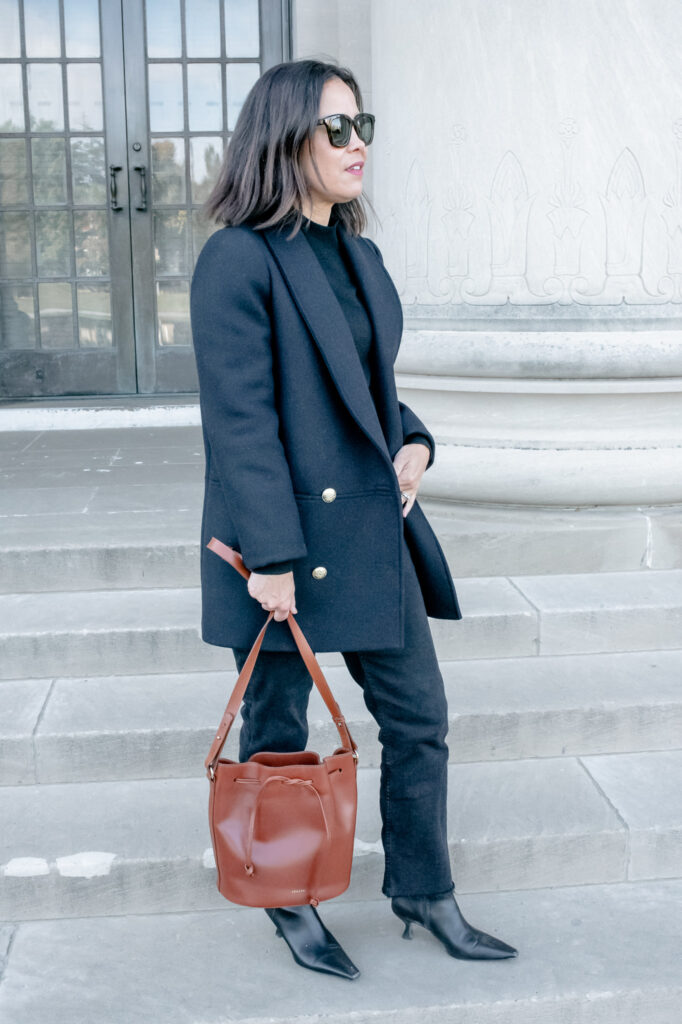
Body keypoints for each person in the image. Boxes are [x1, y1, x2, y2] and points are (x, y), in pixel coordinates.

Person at [190, 58, 517, 981]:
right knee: (282, 732)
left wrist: (414, 441)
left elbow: (369, 392)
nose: (356, 141)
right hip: (281, 544)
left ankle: (422, 889)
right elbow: (241, 423)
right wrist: (272, 557)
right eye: (335, 127)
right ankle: (288, 899)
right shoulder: (237, 258)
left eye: (360, 123)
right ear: (285, 137)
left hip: (371, 529)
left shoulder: (358, 254)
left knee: (420, 716)